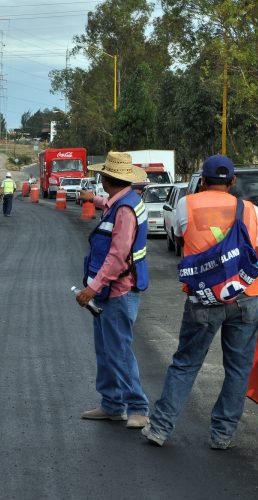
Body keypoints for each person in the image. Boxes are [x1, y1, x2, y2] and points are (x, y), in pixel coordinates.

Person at [143, 155, 258, 449]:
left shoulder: (185, 205)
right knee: (238, 369)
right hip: (247, 298)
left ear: (202, 180)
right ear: (232, 182)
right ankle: (222, 435)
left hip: (204, 298)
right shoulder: (252, 211)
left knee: (186, 364)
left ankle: (160, 429)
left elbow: (179, 238)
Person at [76, 151, 150, 429]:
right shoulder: (123, 202)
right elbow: (109, 205)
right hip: (110, 292)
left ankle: (138, 408)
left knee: (118, 351)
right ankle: (112, 404)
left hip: (117, 291)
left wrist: (91, 289)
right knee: (105, 350)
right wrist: (92, 200)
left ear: (107, 178)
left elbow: (118, 256)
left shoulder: (125, 211)